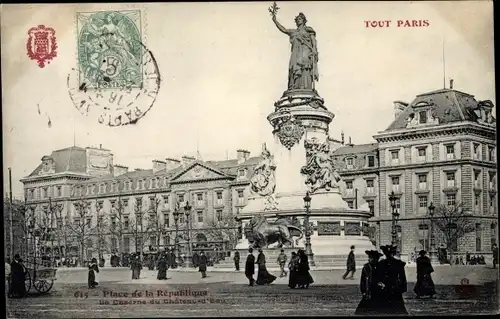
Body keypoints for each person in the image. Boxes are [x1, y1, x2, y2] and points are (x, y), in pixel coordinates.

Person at [377, 245, 408, 315]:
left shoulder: (398, 263)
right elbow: (403, 278)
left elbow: (402, 277)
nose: (389, 255)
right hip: (389, 288)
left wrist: (402, 288)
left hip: (392, 288)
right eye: (387, 253)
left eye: (389, 253)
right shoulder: (382, 263)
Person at [354, 250, 384, 315]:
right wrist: (363, 291)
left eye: (372, 258)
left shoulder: (380, 267)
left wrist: (381, 283)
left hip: (378, 291)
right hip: (369, 291)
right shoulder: (366, 267)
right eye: (370, 257)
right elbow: (363, 281)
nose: (370, 259)